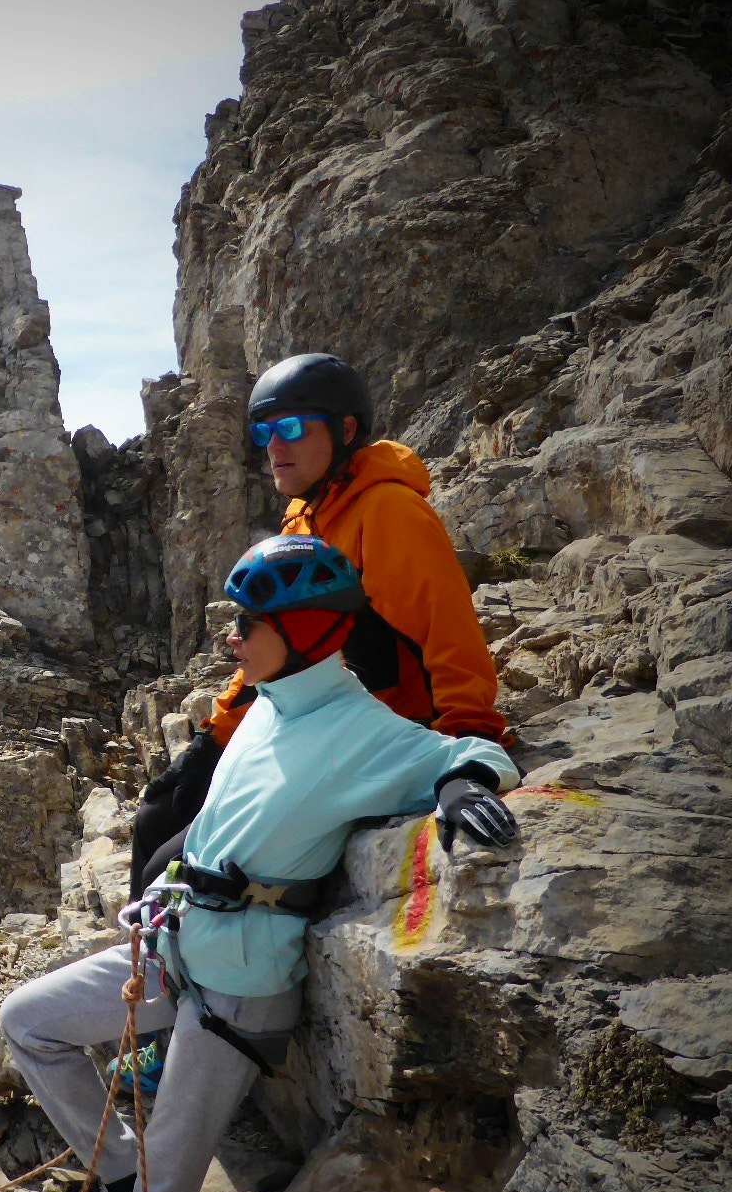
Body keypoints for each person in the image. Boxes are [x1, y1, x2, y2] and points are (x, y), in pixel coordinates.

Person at [0, 534, 519, 1192]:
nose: (231, 636)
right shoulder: (270, 703)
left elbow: (471, 753)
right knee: (28, 1020)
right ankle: (117, 1175)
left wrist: (464, 786)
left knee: (174, 1166)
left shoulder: (361, 732)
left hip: (241, 987)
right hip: (177, 943)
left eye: (249, 622)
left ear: (306, 630)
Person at [129, 352, 508, 900]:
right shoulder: (304, 518)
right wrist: (213, 741)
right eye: (263, 432)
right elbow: (280, 647)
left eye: (291, 428)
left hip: (369, 739)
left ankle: (168, 942)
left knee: (168, 866)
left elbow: (448, 636)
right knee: (154, 818)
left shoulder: (389, 512)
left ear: (345, 430)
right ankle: (144, 946)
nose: (274, 447)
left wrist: (464, 756)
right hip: (308, 722)